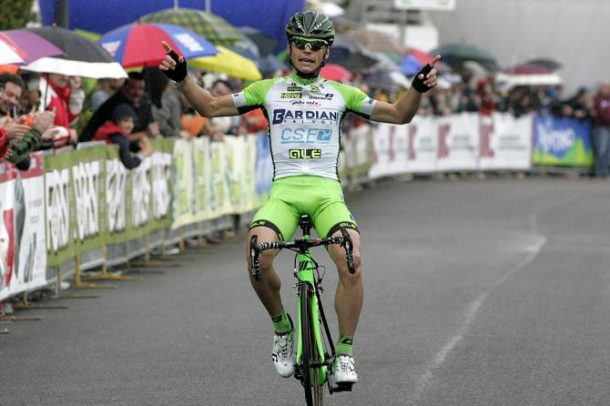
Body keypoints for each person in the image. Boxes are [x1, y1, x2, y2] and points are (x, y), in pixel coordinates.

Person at [159, 10, 438, 384]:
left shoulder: (343, 94)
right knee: (257, 254)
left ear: (326, 53)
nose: (307, 51)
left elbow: (400, 114)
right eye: (300, 44)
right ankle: (283, 329)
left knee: (351, 257)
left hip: (326, 194)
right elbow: (210, 107)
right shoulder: (267, 90)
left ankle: (344, 353)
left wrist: (417, 89)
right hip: (285, 195)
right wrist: (182, 79)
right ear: (290, 48)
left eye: (315, 46)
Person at [80, 71, 159, 143]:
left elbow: (151, 126)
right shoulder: (115, 105)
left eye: (141, 89)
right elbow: (119, 138)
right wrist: (145, 133)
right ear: (124, 88)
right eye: (132, 88)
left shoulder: (145, 102)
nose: (137, 92)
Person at [93, 103, 152, 169]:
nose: (130, 125)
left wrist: (138, 144)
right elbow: (130, 164)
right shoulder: (118, 136)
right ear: (117, 121)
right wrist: (144, 153)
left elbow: (127, 145)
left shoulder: (108, 129)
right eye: (125, 121)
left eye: (132, 121)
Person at [592, 82, 610, 178]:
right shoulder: (598, 99)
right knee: (601, 149)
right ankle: (598, 171)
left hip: (608, 127)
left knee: (607, 151)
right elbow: (601, 113)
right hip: (601, 127)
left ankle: (605, 171)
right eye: (606, 88)